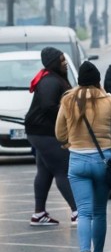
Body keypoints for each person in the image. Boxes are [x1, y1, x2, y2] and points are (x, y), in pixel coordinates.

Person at [55, 61, 111, 252]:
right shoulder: (106, 99)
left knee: (84, 212)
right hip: (102, 161)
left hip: (77, 161)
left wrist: (72, 142)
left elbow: (59, 134)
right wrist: (105, 96)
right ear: (97, 80)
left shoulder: (68, 100)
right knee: (99, 212)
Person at [24, 47, 78, 226]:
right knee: (62, 169)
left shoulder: (52, 78)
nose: (65, 63)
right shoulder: (50, 81)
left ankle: (39, 214)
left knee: (45, 171)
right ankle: (76, 212)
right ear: (54, 62)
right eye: (62, 60)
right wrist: (69, 115)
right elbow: (49, 107)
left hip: (39, 131)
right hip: (45, 132)